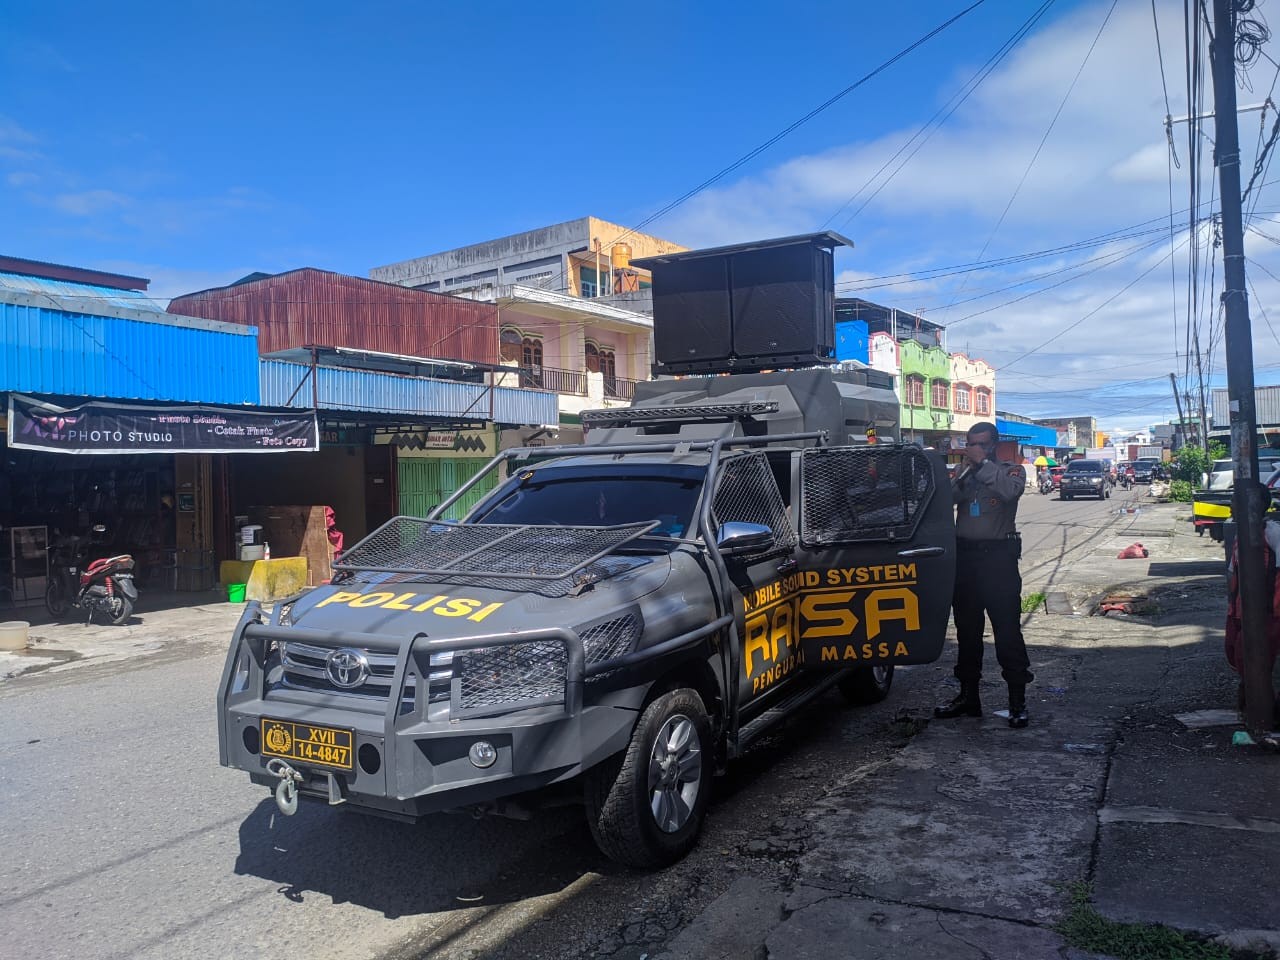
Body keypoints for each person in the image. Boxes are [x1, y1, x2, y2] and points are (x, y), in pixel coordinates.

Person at [934, 421, 1035, 728]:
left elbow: (1009, 493)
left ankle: (1017, 701)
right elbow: (945, 501)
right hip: (966, 561)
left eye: (980, 444)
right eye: (971, 443)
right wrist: (964, 473)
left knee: (1007, 631)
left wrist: (984, 465)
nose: (974, 448)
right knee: (966, 632)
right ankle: (968, 697)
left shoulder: (1010, 471)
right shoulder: (964, 473)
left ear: (992, 445)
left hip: (998, 562)